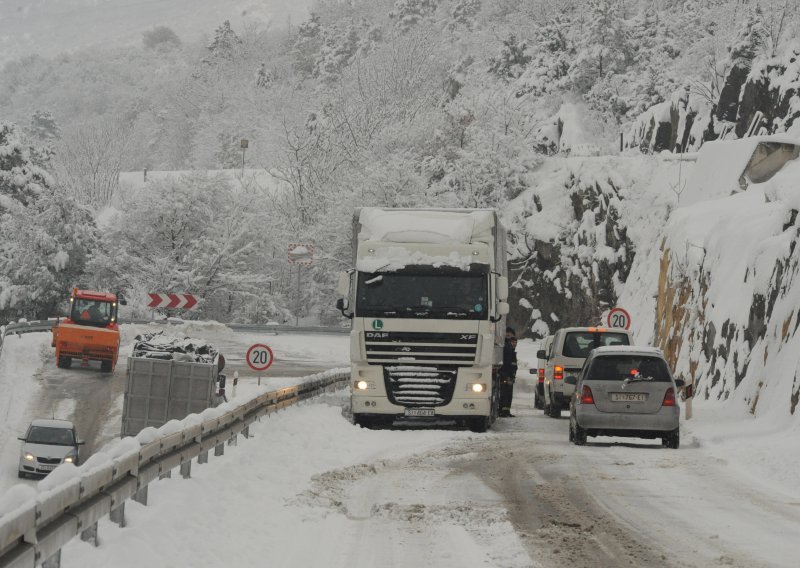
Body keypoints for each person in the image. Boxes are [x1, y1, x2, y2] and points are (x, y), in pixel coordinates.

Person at [499, 327, 518, 417]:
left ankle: (505, 411)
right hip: (505, 374)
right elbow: (508, 363)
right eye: (507, 333)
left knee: (508, 393)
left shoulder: (509, 347)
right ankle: (503, 411)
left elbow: (513, 364)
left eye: (510, 333)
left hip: (508, 374)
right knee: (505, 393)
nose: (508, 334)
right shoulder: (505, 346)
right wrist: (508, 375)